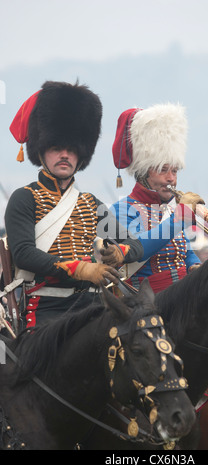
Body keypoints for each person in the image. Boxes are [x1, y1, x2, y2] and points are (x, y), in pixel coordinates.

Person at [3, 81, 144, 328]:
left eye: (71, 149)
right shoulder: (24, 198)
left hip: (92, 307)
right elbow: (24, 254)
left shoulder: (89, 203)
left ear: (81, 155)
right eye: (57, 148)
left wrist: (119, 253)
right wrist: (81, 270)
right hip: (47, 308)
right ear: (42, 151)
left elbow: (134, 244)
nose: (65, 155)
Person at [108, 104, 203, 293]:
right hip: (146, 303)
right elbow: (137, 249)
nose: (171, 178)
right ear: (144, 172)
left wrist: (195, 265)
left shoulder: (168, 208)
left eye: (174, 171)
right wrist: (179, 219)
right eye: (163, 170)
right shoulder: (120, 209)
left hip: (183, 294)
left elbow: (185, 251)